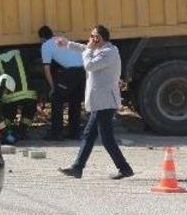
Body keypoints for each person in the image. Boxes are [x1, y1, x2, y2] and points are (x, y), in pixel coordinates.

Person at [57, 25, 134, 180]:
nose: (90, 39)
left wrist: (89, 49)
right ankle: (77, 168)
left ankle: (124, 168)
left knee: (106, 139)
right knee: (89, 135)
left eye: (93, 36)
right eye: (91, 35)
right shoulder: (99, 50)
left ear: (101, 38)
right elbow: (85, 48)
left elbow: (89, 65)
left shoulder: (109, 53)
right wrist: (68, 44)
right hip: (100, 101)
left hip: (105, 101)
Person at [39, 25, 85, 140]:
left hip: (71, 72)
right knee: (75, 101)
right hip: (82, 71)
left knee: (56, 98)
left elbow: (46, 69)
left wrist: (53, 87)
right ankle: (74, 133)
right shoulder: (60, 39)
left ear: (41, 38)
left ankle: (56, 133)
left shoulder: (45, 45)